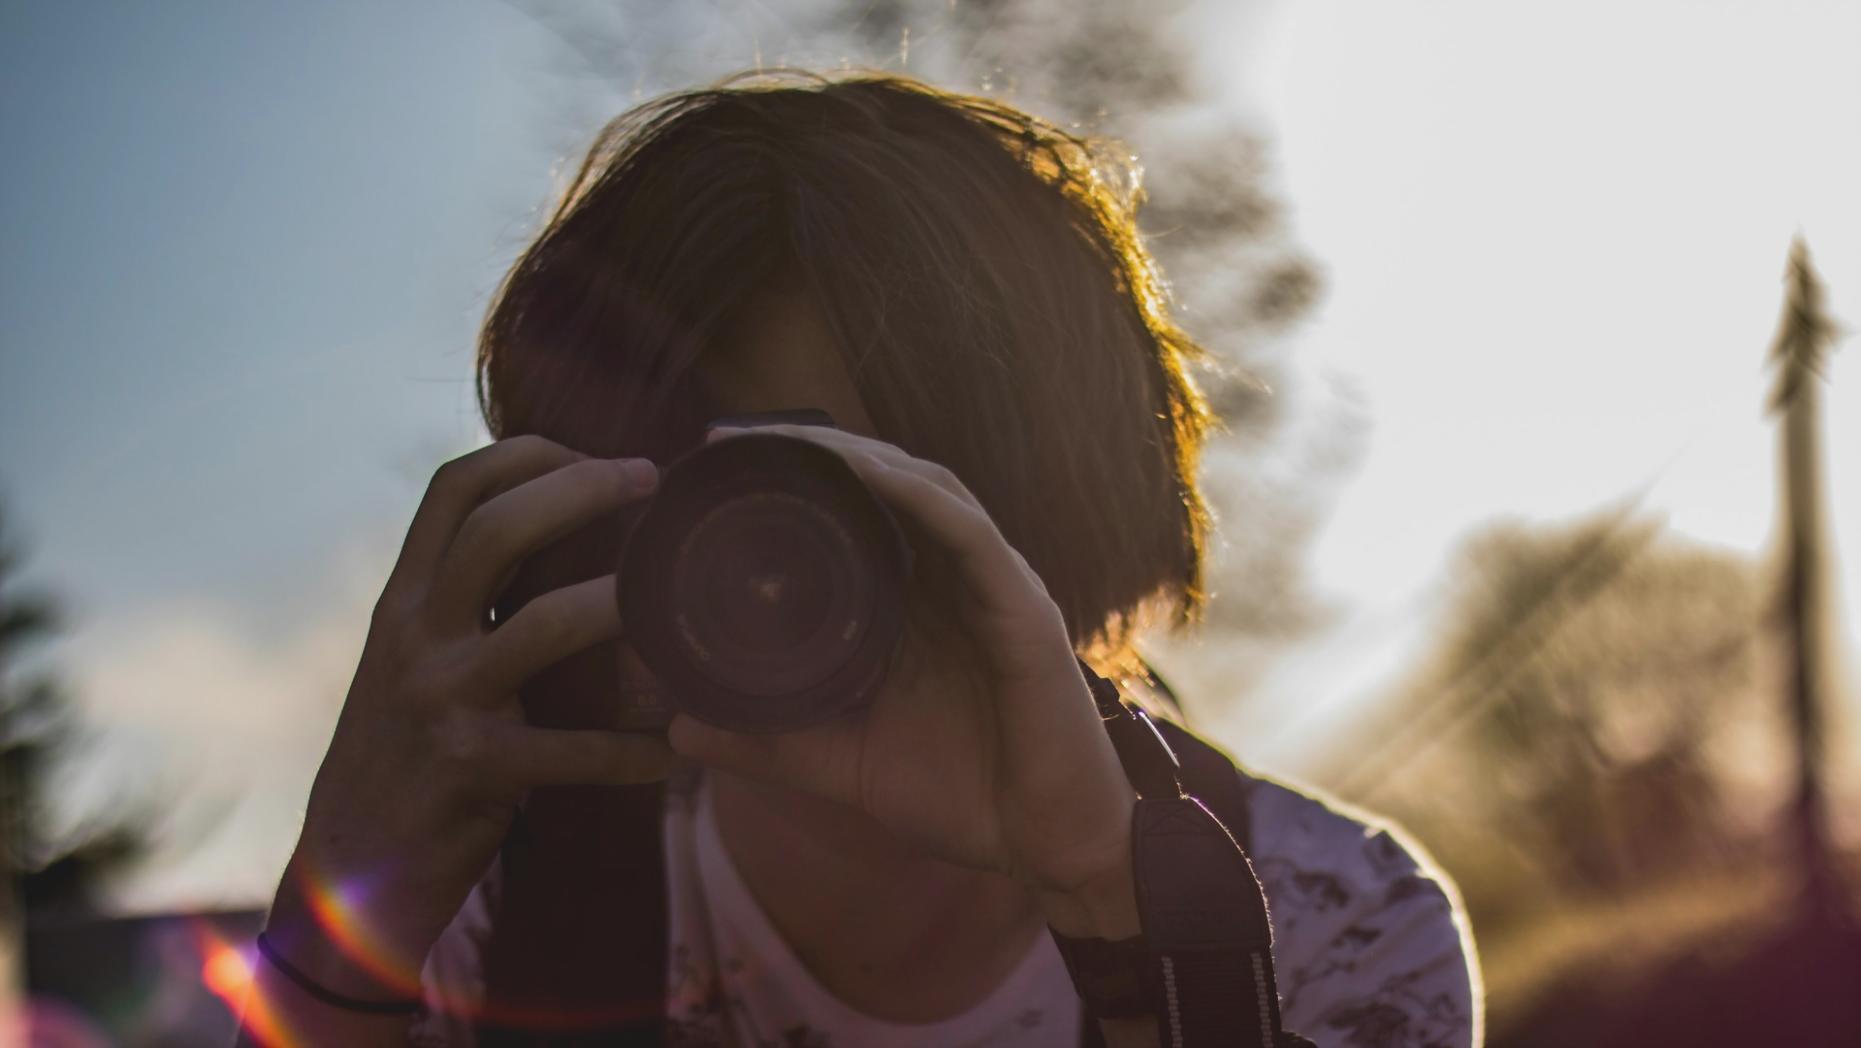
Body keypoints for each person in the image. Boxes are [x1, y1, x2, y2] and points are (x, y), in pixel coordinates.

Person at [238, 71, 1480, 1047]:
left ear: (1055, 488)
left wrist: (1135, 938)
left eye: (837, 491)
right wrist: (338, 923)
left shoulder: (1332, 924)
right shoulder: (495, 926)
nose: (763, 572)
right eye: (692, 496)